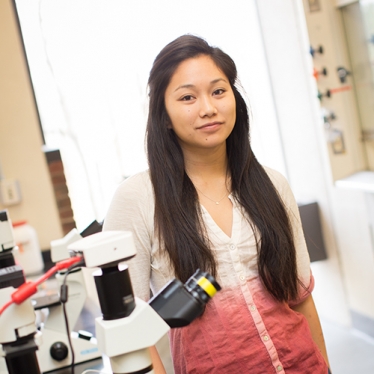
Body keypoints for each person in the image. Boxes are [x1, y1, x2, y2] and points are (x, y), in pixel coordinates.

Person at [103, 34, 331, 374]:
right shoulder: (137, 198)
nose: (208, 108)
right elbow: (128, 331)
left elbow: (300, 299)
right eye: (187, 97)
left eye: (218, 91)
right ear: (163, 115)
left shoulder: (271, 184)